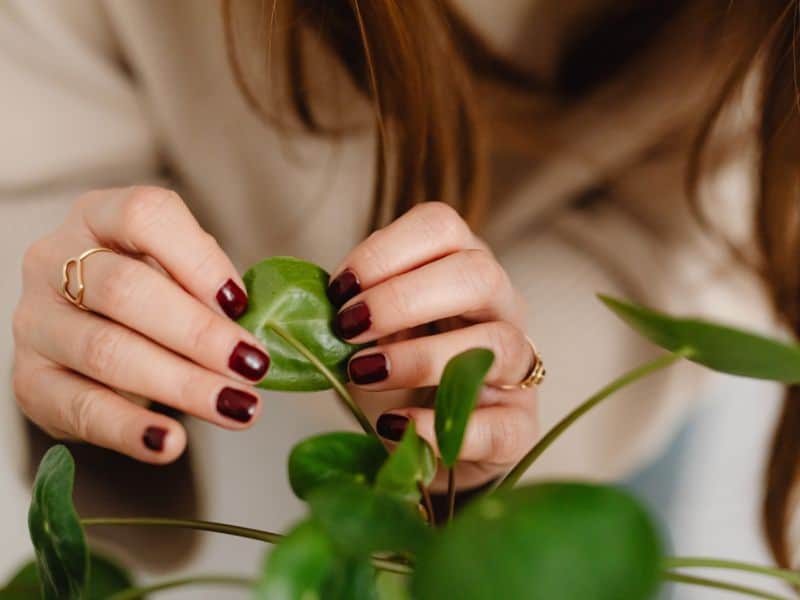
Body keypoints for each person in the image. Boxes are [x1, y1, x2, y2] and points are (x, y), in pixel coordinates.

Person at [1, 0, 796, 579]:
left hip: (589, 387)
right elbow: (36, 136)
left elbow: (699, 230)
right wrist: (74, 297)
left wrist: (497, 389)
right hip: (242, 380)